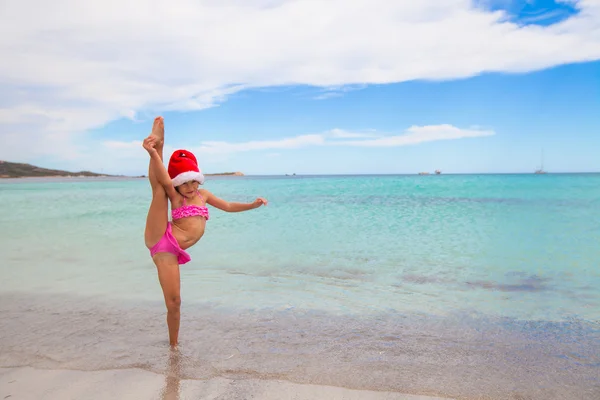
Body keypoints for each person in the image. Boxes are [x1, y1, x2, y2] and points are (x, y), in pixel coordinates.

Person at [142, 116, 268, 347]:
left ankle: (173, 347)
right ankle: (157, 144)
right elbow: (163, 178)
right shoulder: (176, 196)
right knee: (160, 190)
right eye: (184, 183)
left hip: (170, 253)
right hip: (160, 236)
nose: (190, 188)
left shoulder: (204, 196)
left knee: (175, 302)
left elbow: (229, 206)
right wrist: (153, 155)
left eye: (193, 182)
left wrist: (252, 205)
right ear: (178, 183)